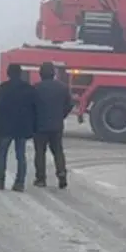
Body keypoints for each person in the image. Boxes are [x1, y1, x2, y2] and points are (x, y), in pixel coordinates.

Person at [0, 63, 38, 191]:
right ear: (21, 74)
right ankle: (19, 183)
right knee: (21, 155)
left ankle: (0, 181)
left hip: (6, 126)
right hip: (22, 127)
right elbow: (34, 109)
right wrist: (33, 126)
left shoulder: (3, 88)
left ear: (8, 73)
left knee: (2, 154)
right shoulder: (29, 89)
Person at [32, 61, 74, 189]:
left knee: (40, 152)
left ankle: (41, 178)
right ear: (54, 74)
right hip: (56, 125)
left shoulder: (35, 88)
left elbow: (31, 106)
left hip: (39, 125)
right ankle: (61, 174)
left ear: (40, 74)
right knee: (58, 151)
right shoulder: (62, 88)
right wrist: (61, 115)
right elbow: (70, 104)